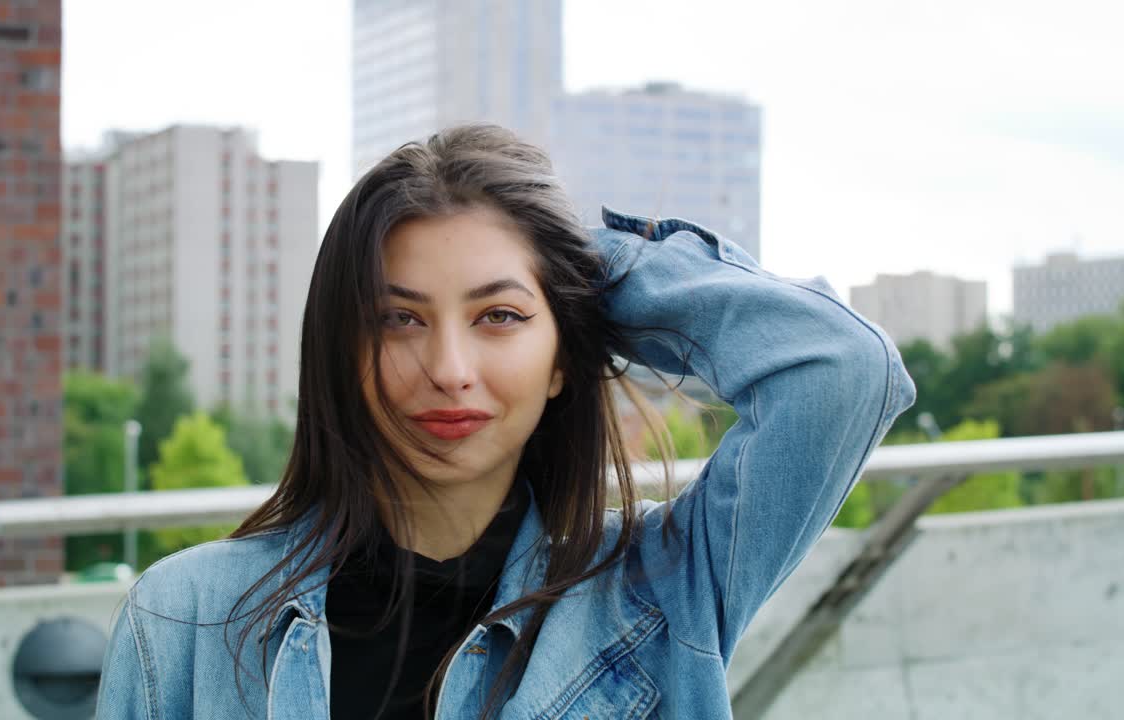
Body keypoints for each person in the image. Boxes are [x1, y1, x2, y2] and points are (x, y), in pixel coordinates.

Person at [95, 123, 916, 719]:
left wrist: (575, 262)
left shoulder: (660, 589)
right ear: (342, 351)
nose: (450, 370)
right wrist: (523, 283)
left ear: (565, 358)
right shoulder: (183, 620)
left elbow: (843, 367)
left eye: (499, 318)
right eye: (399, 320)